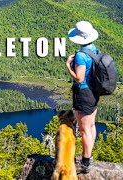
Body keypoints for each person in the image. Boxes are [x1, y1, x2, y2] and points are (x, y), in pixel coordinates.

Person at [66, 21, 100, 173]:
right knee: (91, 126)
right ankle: (89, 157)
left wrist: (68, 66)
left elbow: (79, 78)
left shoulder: (80, 55)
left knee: (84, 129)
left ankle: (85, 163)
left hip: (83, 94)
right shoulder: (95, 50)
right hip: (94, 92)